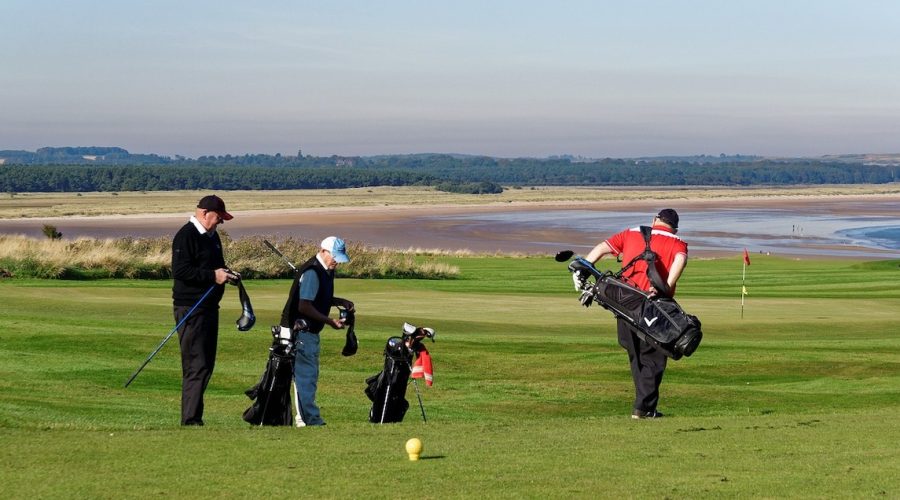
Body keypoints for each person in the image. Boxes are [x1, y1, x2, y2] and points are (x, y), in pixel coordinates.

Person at [584, 208, 688, 419]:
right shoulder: (677, 243)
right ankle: (643, 409)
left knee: (636, 357)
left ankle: (643, 406)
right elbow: (680, 260)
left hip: (623, 305)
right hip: (654, 307)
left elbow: (602, 249)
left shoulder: (631, 233)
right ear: (674, 227)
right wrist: (666, 286)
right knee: (654, 358)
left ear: (655, 220)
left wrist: (584, 269)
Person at [171, 195, 239, 426]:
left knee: (206, 364)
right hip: (191, 308)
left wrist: (227, 273)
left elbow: (216, 266)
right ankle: (190, 420)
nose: (220, 223)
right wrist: (213, 276)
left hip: (209, 307)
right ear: (204, 213)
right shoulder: (186, 235)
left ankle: (194, 417)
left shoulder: (212, 237)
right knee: (196, 364)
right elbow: (181, 271)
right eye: (218, 218)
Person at [280, 236, 354, 426]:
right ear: (323, 251)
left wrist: (339, 301)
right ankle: (308, 420)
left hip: (305, 331)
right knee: (305, 377)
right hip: (299, 332)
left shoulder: (325, 270)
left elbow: (318, 297)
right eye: (334, 257)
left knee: (307, 377)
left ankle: (303, 418)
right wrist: (329, 321)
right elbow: (304, 306)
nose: (337, 261)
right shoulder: (313, 271)